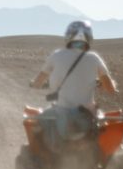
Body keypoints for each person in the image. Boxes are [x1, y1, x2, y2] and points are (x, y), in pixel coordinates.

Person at [29, 20, 117, 152]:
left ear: (68, 37)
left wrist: (35, 84)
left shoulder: (56, 55)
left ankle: (43, 159)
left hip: (61, 111)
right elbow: (110, 89)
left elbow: (37, 83)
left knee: (36, 124)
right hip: (87, 115)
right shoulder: (94, 58)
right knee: (105, 124)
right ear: (89, 38)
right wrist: (108, 85)